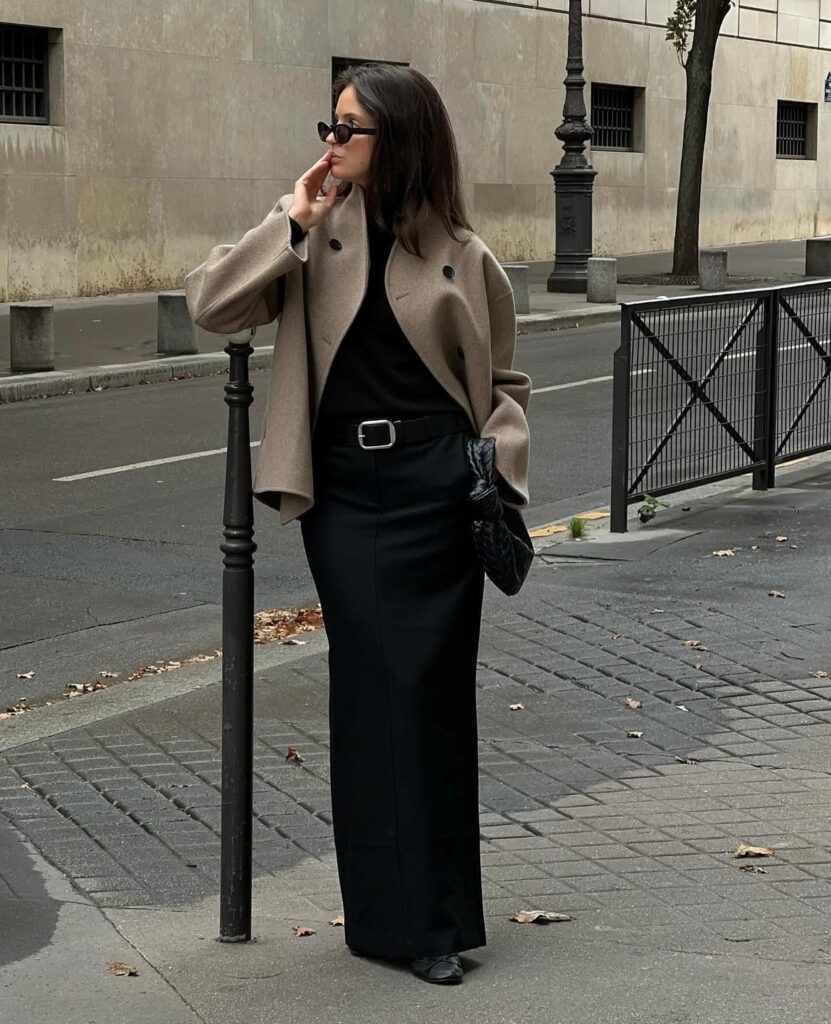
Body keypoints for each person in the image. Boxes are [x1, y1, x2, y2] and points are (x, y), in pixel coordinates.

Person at [185, 63, 531, 986]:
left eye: (349, 131)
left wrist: (499, 473)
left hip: (438, 490)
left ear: (400, 140)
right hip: (343, 492)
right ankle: (395, 924)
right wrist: (289, 220)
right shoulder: (309, 233)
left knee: (432, 698)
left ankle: (442, 920)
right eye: (329, 127)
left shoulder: (462, 248)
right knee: (372, 696)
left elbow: (502, 386)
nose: (330, 145)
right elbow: (210, 304)